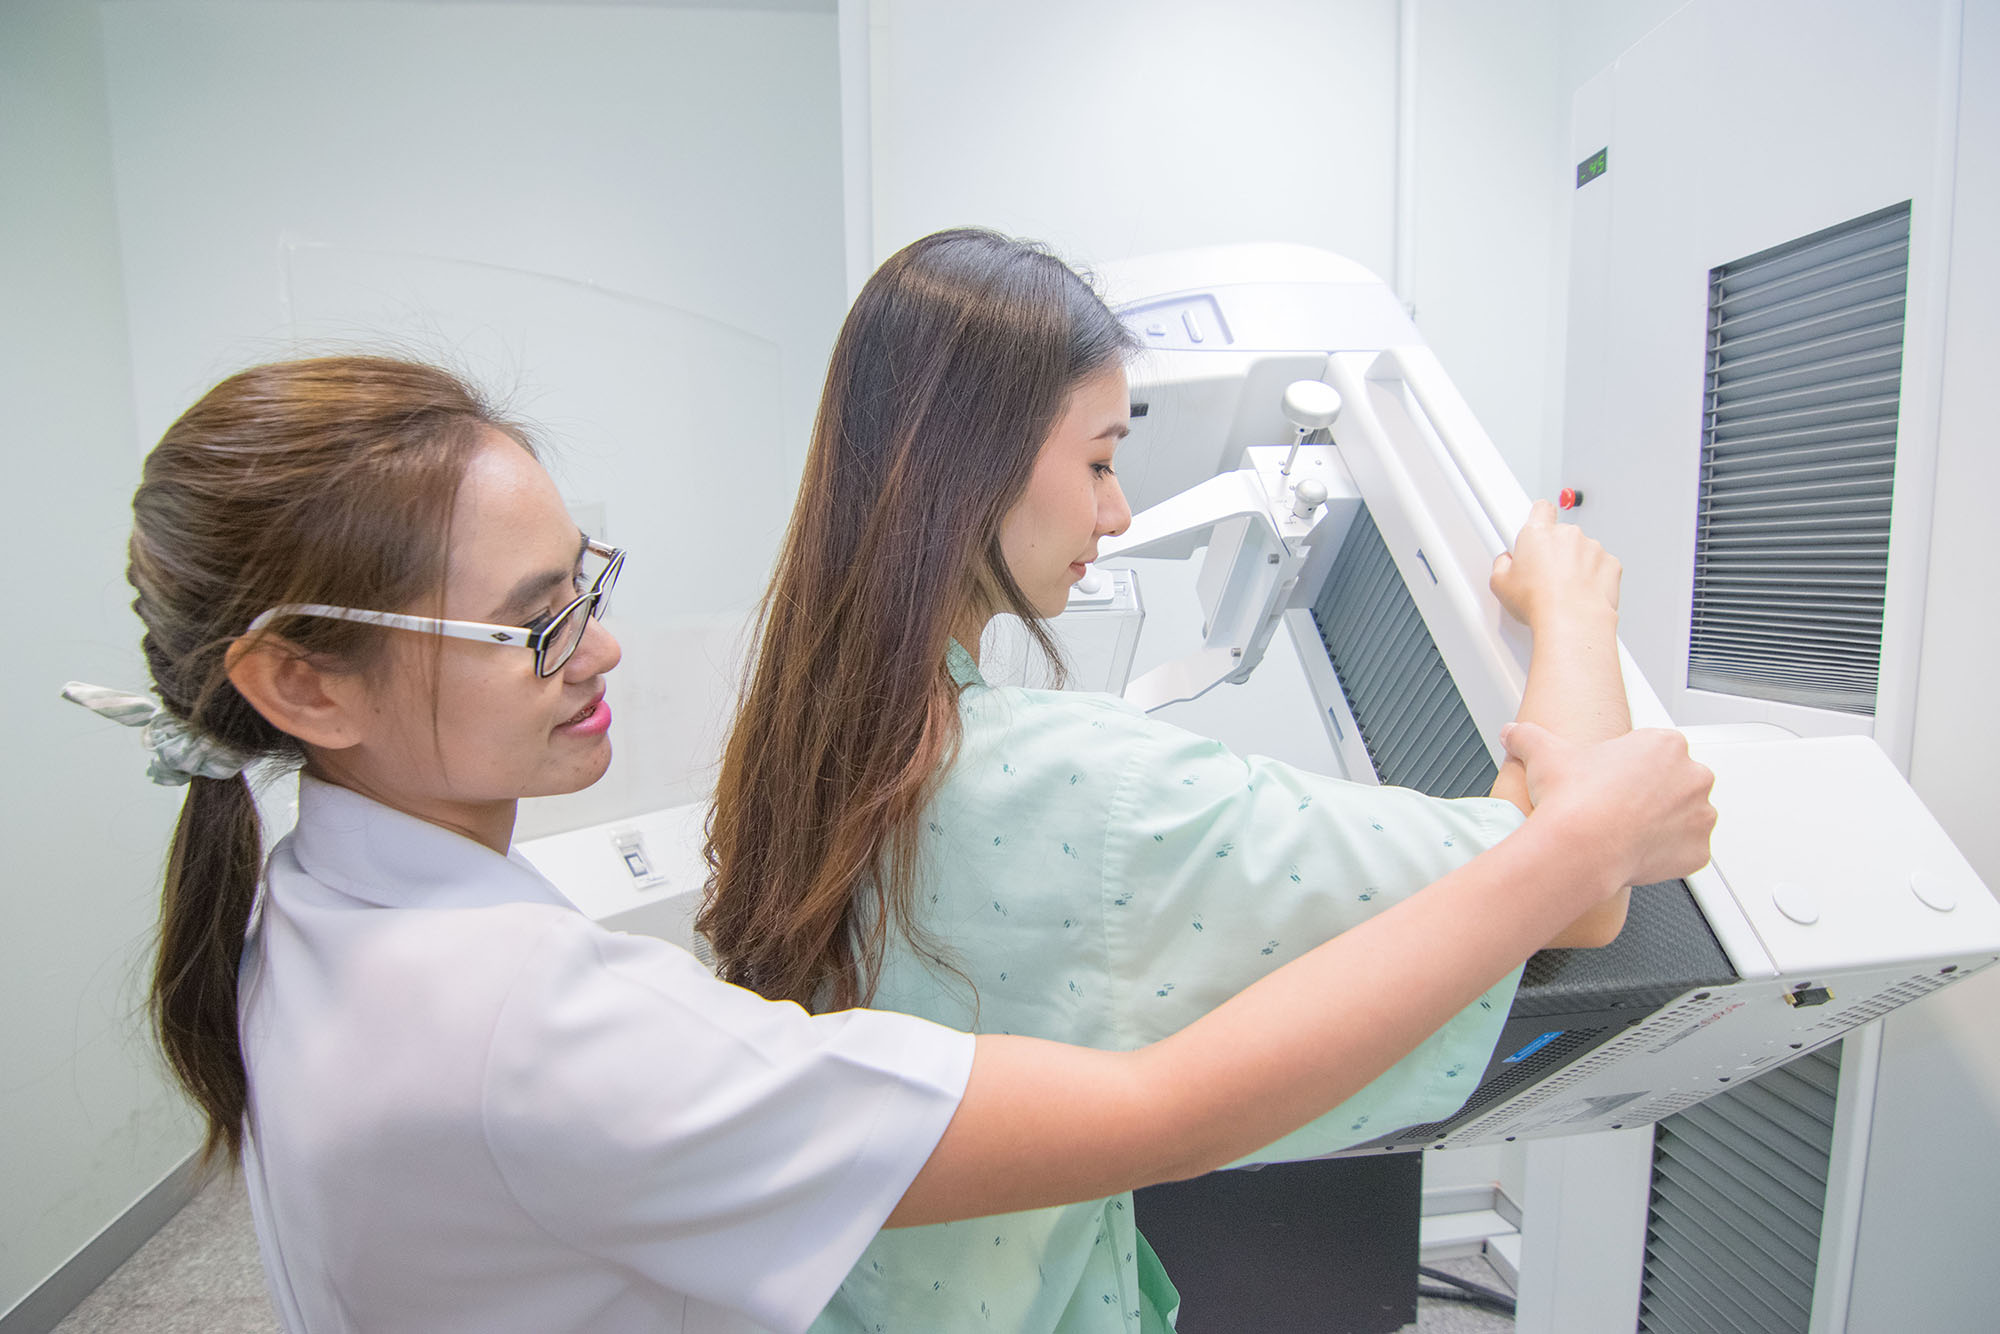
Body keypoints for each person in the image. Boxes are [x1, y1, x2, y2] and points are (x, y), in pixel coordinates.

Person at [67, 354, 1711, 1334]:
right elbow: (1163, 1109)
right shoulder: (522, 1024)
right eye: (533, 620)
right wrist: (1568, 804)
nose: (600, 646)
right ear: (299, 682)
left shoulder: (306, 896)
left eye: (589, 583)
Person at [701, 230, 1642, 1333]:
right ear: (972, 463)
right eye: (1100, 461)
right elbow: (1569, 882)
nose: (1116, 512)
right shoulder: (1079, 785)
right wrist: (1575, 612)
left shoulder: (802, 749)